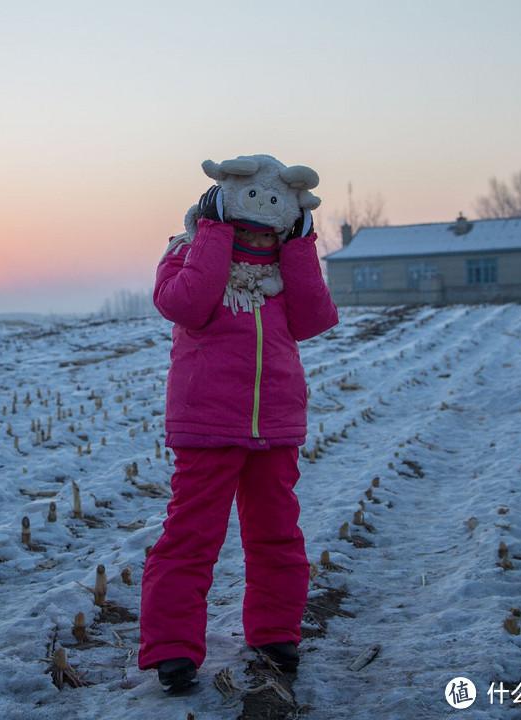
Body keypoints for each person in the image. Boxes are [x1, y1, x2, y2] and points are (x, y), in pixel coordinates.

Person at [139, 155, 339, 692]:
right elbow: (186, 305)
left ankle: (276, 635)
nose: (259, 223)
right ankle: (172, 650)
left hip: (275, 423)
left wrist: (299, 245)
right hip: (207, 423)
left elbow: (315, 318)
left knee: (277, 536)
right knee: (190, 538)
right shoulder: (185, 254)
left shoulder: (283, 268)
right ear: (217, 205)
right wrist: (212, 233)